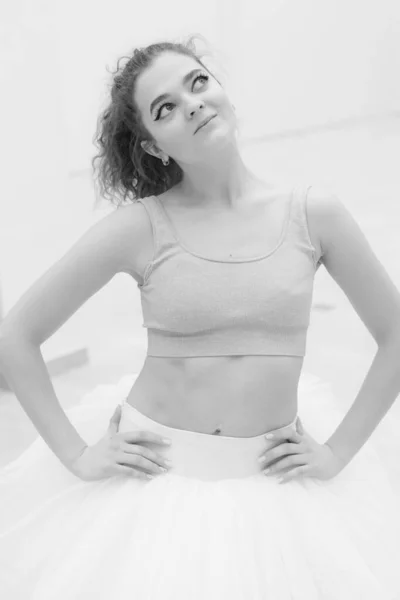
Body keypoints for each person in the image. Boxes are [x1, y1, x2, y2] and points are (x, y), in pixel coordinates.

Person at [0, 35, 400, 599]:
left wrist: (338, 452)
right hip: (153, 489)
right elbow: (16, 335)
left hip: (276, 490)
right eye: (164, 108)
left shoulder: (314, 214)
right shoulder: (140, 227)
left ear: (222, 92)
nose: (190, 103)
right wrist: (77, 456)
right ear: (154, 145)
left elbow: (395, 334)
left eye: (197, 82)